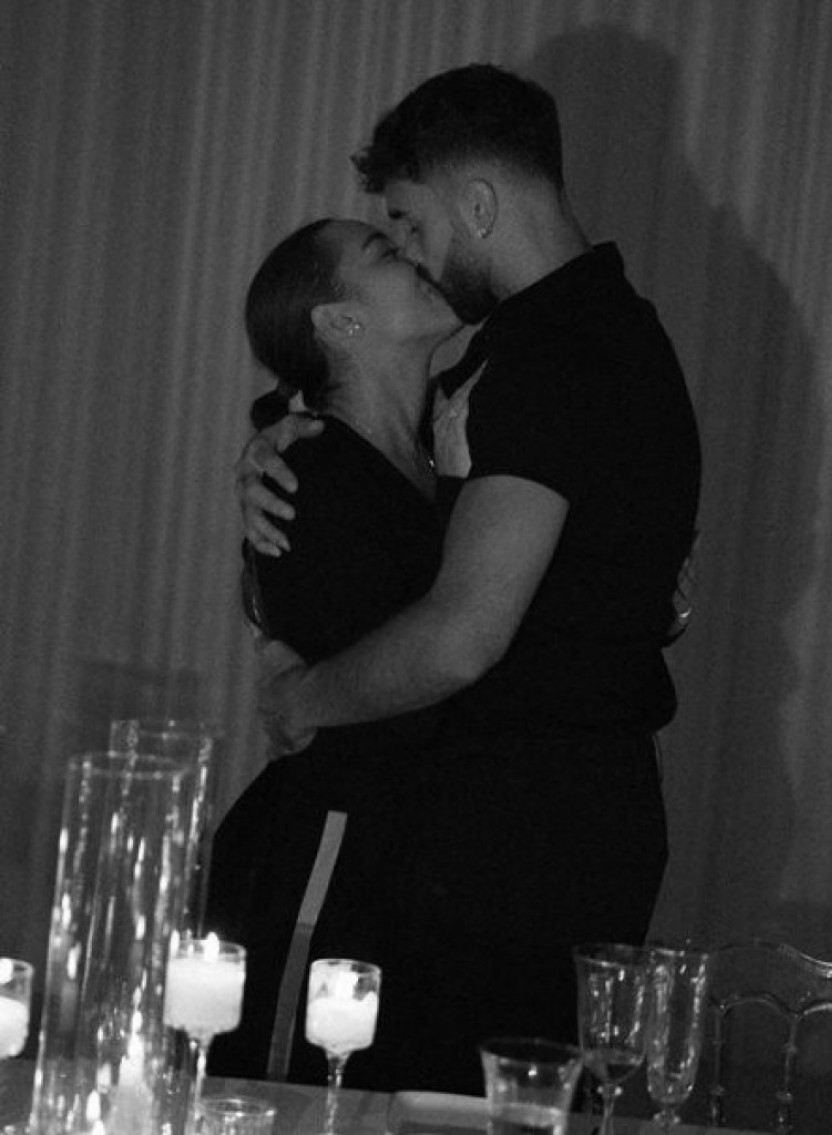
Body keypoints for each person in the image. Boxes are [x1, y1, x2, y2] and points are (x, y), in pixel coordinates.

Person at [234, 64, 702, 1093]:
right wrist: (278, 444)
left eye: (409, 222)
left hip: (523, 845)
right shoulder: (591, 340)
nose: (411, 249)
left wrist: (296, 696)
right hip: (530, 831)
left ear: (479, 205)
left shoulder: (548, 360)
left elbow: (458, 637)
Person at [205, 216, 472, 1091]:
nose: (418, 255)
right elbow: (419, 679)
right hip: (335, 856)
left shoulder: (451, 452)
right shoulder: (306, 477)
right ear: (339, 322)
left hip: (421, 870)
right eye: (386, 255)